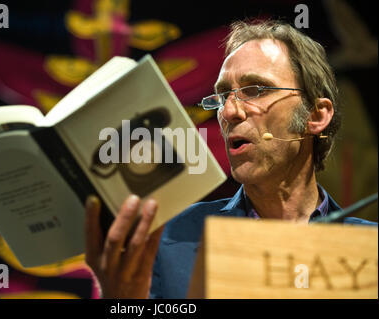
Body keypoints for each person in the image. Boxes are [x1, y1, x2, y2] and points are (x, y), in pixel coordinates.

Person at [83, 19, 377, 299]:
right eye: (223, 96)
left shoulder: (368, 248)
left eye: (255, 90)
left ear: (316, 115)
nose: (228, 112)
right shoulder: (167, 239)